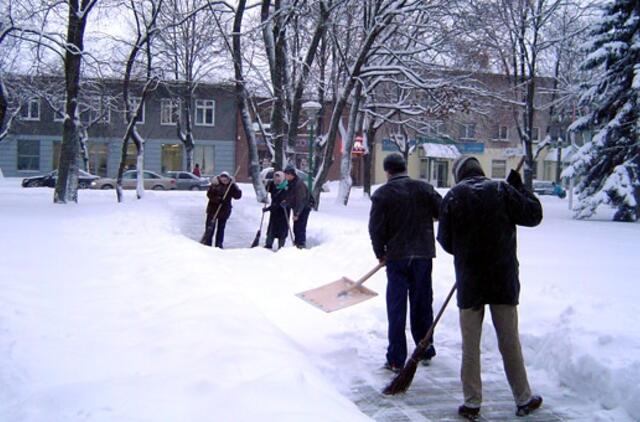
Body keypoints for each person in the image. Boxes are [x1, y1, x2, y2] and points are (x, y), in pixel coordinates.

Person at [437, 156, 543, 419]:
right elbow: (533, 215)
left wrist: (465, 251)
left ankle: (472, 402)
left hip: (470, 281)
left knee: (470, 345)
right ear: (480, 170)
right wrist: (519, 187)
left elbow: (445, 240)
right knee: (509, 342)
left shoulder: (453, 196)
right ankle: (523, 398)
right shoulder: (502, 190)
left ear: (458, 174)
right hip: (502, 280)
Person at [368, 153, 442, 373]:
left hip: (397, 258)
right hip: (422, 255)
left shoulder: (383, 194)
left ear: (387, 171)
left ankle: (396, 358)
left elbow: (376, 228)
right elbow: (442, 212)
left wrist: (380, 252)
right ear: (404, 167)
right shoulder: (425, 189)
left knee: (397, 307)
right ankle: (425, 349)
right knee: (422, 303)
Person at [203, 171, 242, 248]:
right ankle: (207, 243)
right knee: (210, 228)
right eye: (222, 179)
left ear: (228, 179)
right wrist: (218, 199)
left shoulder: (230, 186)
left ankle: (219, 244)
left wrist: (234, 186)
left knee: (221, 229)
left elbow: (238, 196)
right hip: (213, 210)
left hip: (224, 211)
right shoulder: (215, 184)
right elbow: (209, 195)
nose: (224, 181)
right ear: (220, 178)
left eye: (226, 180)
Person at [283, 165, 312, 249]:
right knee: (296, 226)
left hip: (304, 207)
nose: (285, 176)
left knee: (300, 226)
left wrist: (297, 214)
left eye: (286, 174)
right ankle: (297, 243)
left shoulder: (299, 184)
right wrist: (286, 201)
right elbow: (291, 196)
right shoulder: (291, 182)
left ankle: (301, 244)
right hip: (297, 207)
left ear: (291, 174)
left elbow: (301, 200)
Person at [263, 171, 290, 250]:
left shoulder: (286, 188)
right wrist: (267, 184)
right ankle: (268, 244)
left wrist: (268, 208)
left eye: (279, 177)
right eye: (275, 177)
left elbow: (288, 199)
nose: (277, 179)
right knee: (272, 229)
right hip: (274, 213)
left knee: (282, 230)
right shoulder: (274, 186)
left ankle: (281, 246)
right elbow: (268, 190)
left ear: (282, 178)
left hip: (283, 212)